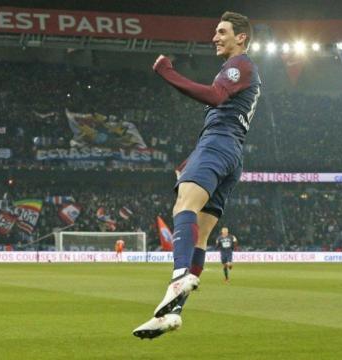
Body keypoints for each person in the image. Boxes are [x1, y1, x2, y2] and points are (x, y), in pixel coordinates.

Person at [133, 11, 260, 339]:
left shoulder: (240, 64)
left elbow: (215, 97)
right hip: (230, 153)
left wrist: (167, 72)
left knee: (182, 208)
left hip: (218, 145)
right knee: (201, 237)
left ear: (241, 37)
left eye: (222, 32)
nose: (215, 37)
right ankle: (172, 313)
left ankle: (178, 278)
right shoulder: (240, 71)